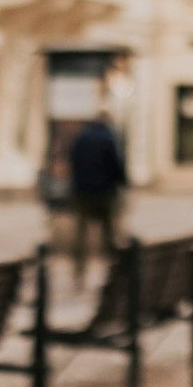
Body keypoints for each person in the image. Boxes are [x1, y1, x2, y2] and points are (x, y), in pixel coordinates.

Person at [66, 113, 128, 286]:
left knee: (81, 233)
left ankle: (78, 272)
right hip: (104, 192)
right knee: (108, 233)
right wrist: (121, 185)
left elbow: (73, 163)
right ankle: (113, 270)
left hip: (82, 193)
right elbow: (117, 166)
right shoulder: (108, 139)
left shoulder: (81, 139)